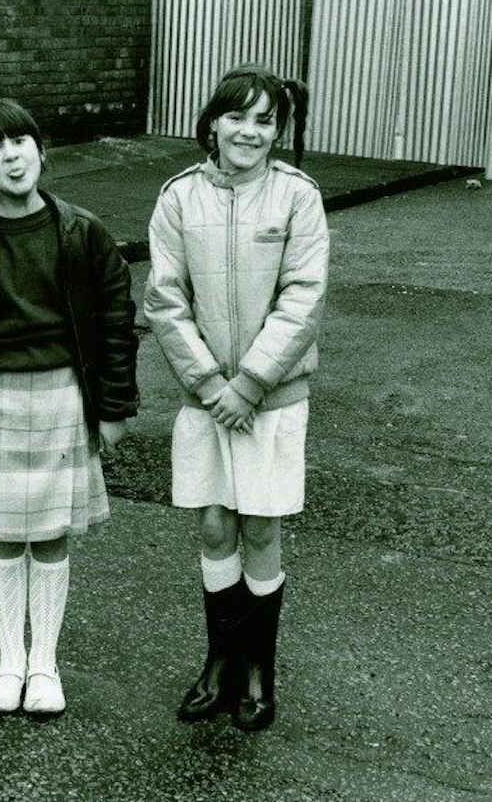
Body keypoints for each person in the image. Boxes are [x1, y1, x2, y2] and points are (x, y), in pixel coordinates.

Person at [0, 98, 139, 717]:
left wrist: (113, 407)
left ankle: (44, 665)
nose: (10, 155)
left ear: (41, 150)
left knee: (49, 537)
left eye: (19, 140)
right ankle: (7, 662)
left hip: (63, 398)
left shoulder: (84, 232)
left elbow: (115, 324)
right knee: (1, 537)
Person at [144, 65, 329, 731]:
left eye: (264, 121)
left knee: (259, 524)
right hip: (206, 397)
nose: (249, 131)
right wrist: (209, 384)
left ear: (277, 133)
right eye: (237, 117)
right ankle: (219, 663)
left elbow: (302, 297)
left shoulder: (297, 198)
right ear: (213, 122)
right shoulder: (178, 197)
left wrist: (249, 383)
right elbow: (165, 298)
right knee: (216, 523)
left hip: (271, 399)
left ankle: (257, 670)